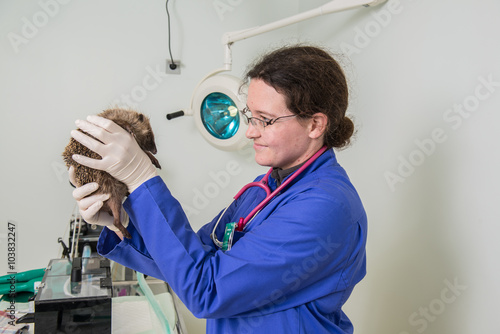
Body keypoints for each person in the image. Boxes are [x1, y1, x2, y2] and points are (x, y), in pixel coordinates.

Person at [69, 44, 367, 333]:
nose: (250, 131)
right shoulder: (262, 190)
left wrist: (142, 179)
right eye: (250, 116)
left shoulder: (325, 207)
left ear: (315, 124)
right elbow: (190, 262)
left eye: (265, 120)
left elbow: (207, 289)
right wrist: (123, 226)